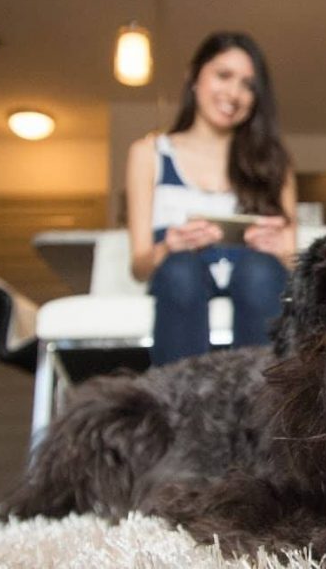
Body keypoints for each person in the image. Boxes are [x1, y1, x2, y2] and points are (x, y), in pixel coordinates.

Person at [125, 32, 297, 366]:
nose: (234, 93)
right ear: (193, 76)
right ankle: (180, 409)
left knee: (260, 270)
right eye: (223, 75)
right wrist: (168, 246)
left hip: (257, 283)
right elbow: (139, 267)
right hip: (180, 281)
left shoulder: (276, 164)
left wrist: (280, 249)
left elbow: (295, 263)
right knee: (179, 270)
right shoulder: (149, 154)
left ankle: (262, 410)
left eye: (248, 84)